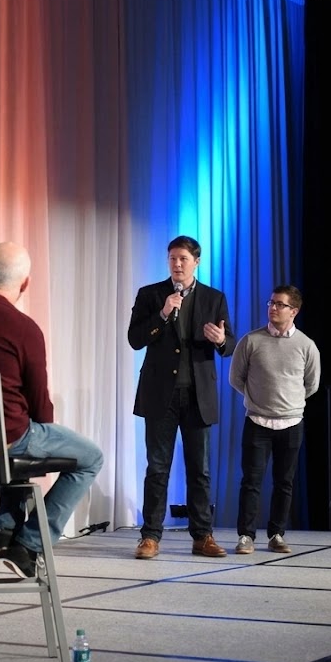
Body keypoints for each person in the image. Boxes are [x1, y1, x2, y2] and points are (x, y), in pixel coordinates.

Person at [0, 241, 104, 579]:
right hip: (9, 439)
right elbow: (39, 401)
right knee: (90, 458)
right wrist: (44, 432)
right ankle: (29, 542)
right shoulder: (24, 327)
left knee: (10, 437)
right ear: (25, 284)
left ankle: (7, 527)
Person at [128, 235, 235, 560]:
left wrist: (220, 340)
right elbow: (135, 339)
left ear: (196, 262)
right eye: (172, 258)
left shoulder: (214, 298)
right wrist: (162, 314)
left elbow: (230, 344)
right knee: (157, 468)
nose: (177, 264)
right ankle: (150, 537)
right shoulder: (151, 295)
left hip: (197, 395)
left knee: (199, 470)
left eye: (183, 259)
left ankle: (202, 536)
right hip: (160, 394)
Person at [229, 284, 320, 555]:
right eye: (271, 303)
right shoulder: (251, 341)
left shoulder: (306, 345)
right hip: (257, 422)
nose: (273, 308)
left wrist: (289, 404)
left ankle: (276, 534)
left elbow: (311, 384)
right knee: (251, 481)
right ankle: (246, 536)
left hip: (291, 424)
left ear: (294, 311)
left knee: (284, 482)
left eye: (280, 304)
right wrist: (258, 399)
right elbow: (236, 378)